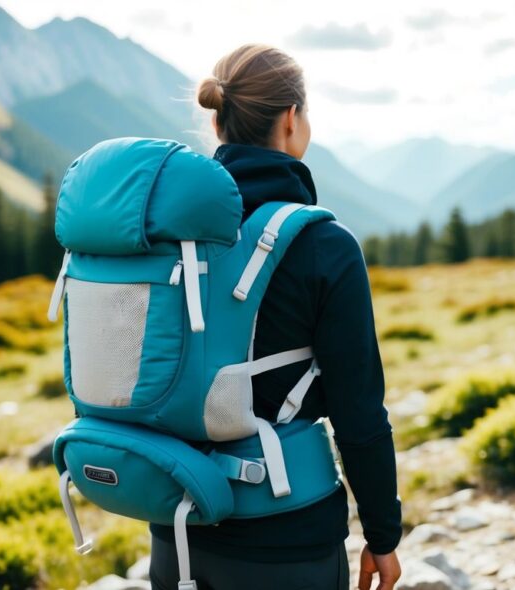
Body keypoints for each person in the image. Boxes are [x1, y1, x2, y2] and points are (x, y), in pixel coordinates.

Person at [149, 44, 402, 590]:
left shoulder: (169, 237)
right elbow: (359, 415)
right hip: (287, 536)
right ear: (292, 119)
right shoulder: (324, 245)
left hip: (176, 526)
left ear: (217, 123)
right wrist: (382, 535)